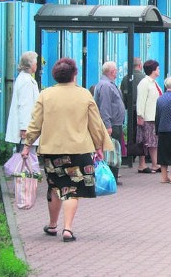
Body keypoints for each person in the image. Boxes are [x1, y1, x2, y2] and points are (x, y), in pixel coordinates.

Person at [20, 58, 112, 242]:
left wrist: (27, 145)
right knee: (74, 189)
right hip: (79, 150)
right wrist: (99, 146)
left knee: (55, 187)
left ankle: (53, 225)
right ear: (74, 74)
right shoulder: (84, 95)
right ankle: (67, 229)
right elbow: (95, 124)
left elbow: (35, 123)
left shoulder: (45, 95)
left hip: (52, 151)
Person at [93, 61, 125, 185]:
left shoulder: (107, 84)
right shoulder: (106, 86)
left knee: (114, 150)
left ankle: (113, 177)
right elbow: (105, 107)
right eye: (116, 71)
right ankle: (111, 178)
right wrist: (108, 125)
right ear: (112, 72)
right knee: (112, 151)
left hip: (114, 123)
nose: (117, 73)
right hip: (112, 124)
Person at [5, 51, 40, 153]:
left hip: (27, 126)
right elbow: (25, 105)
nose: (37, 65)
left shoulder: (24, 78)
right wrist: (24, 128)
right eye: (35, 63)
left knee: (26, 156)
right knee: (27, 156)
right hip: (27, 127)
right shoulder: (26, 82)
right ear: (29, 65)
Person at [136, 59, 162, 173]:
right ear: (153, 70)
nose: (159, 70)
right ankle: (142, 165)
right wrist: (140, 115)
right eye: (158, 68)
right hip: (147, 117)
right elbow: (141, 100)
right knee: (145, 141)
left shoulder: (154, 82)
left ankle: (155, 164)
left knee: (153, 141)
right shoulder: (145, 83)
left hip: (154, 116)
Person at [121, 57, 146, 166]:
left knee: (132, 131)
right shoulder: (144, 78)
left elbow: (122, 95)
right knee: (142, 132)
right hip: (143, 110)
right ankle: (142, 153)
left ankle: (132, 152)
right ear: (140, 66)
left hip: (131, 109)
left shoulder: (125, 78)